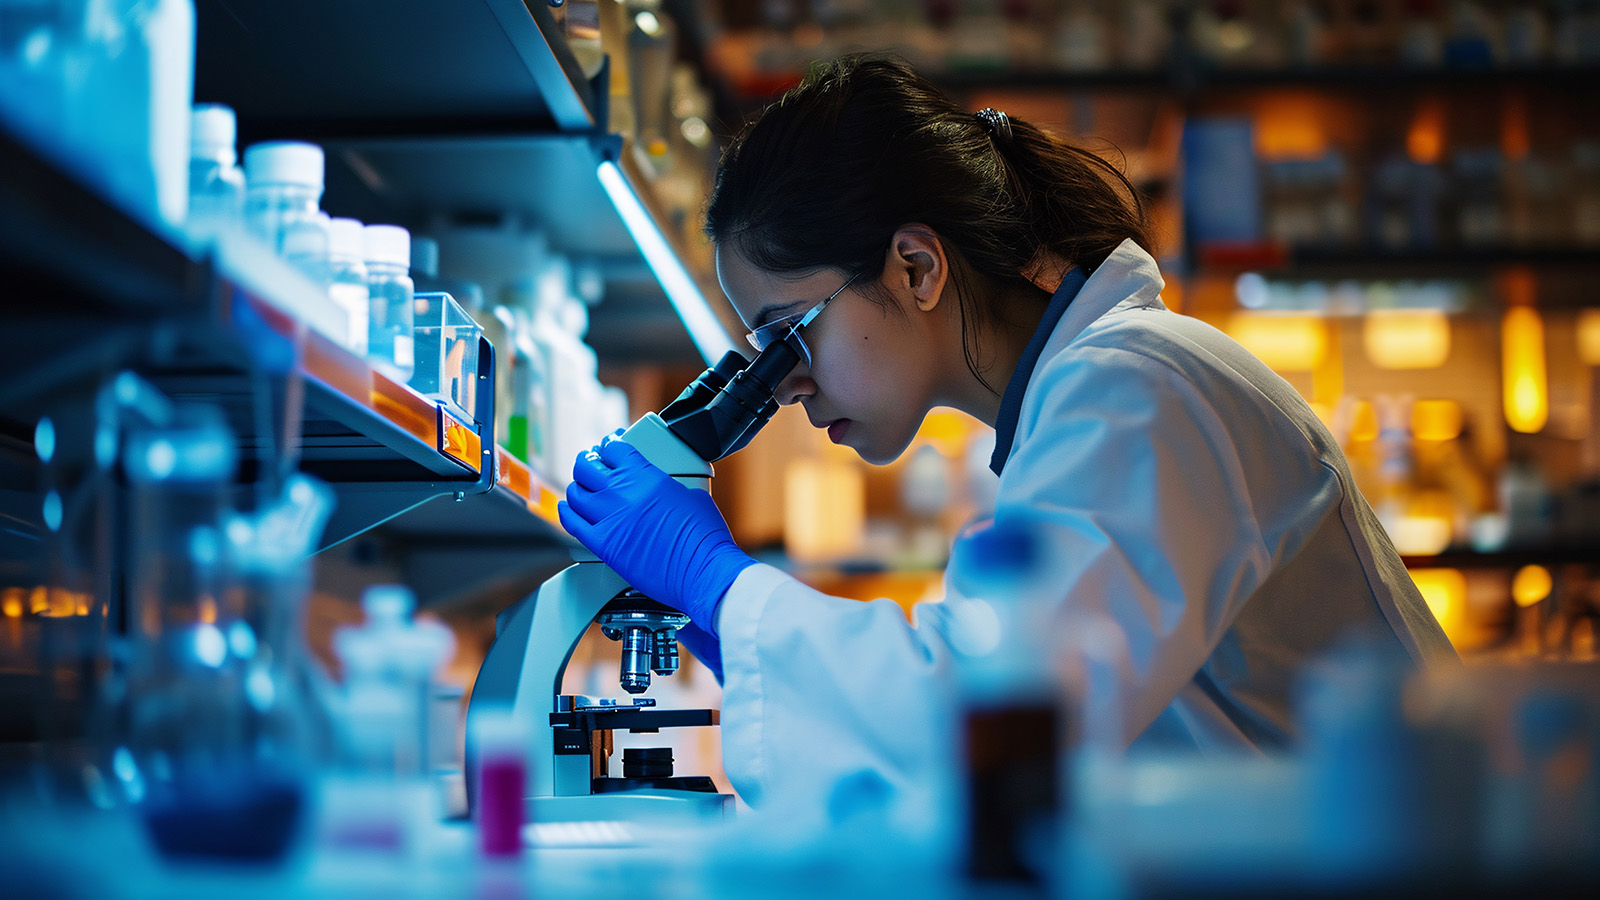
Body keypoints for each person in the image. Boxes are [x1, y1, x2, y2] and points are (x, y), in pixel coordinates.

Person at [557, 54, 1456, 814]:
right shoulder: (1082, 404)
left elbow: (982, 727)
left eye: (788, 334)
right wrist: (745, 636)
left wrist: (722, 586)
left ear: (916, 267)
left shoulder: (1137, 389)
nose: (783, 385)